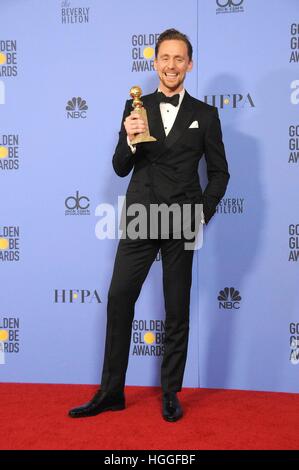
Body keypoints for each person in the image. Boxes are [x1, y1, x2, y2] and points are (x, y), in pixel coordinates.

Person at [69, 29, 230, 422]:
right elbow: (120, 166)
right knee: (120, 298)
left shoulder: (205, 115)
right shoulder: (135, 105)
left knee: (176, 309)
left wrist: (201, 213)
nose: (171, 65)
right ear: (154, 62)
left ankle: (171, 393)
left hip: (181, 219)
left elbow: (220, 173)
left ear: (189, 64)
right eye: (165, 58)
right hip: (141, 215)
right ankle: (110, 392)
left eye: (179, 59)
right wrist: (130, 139)